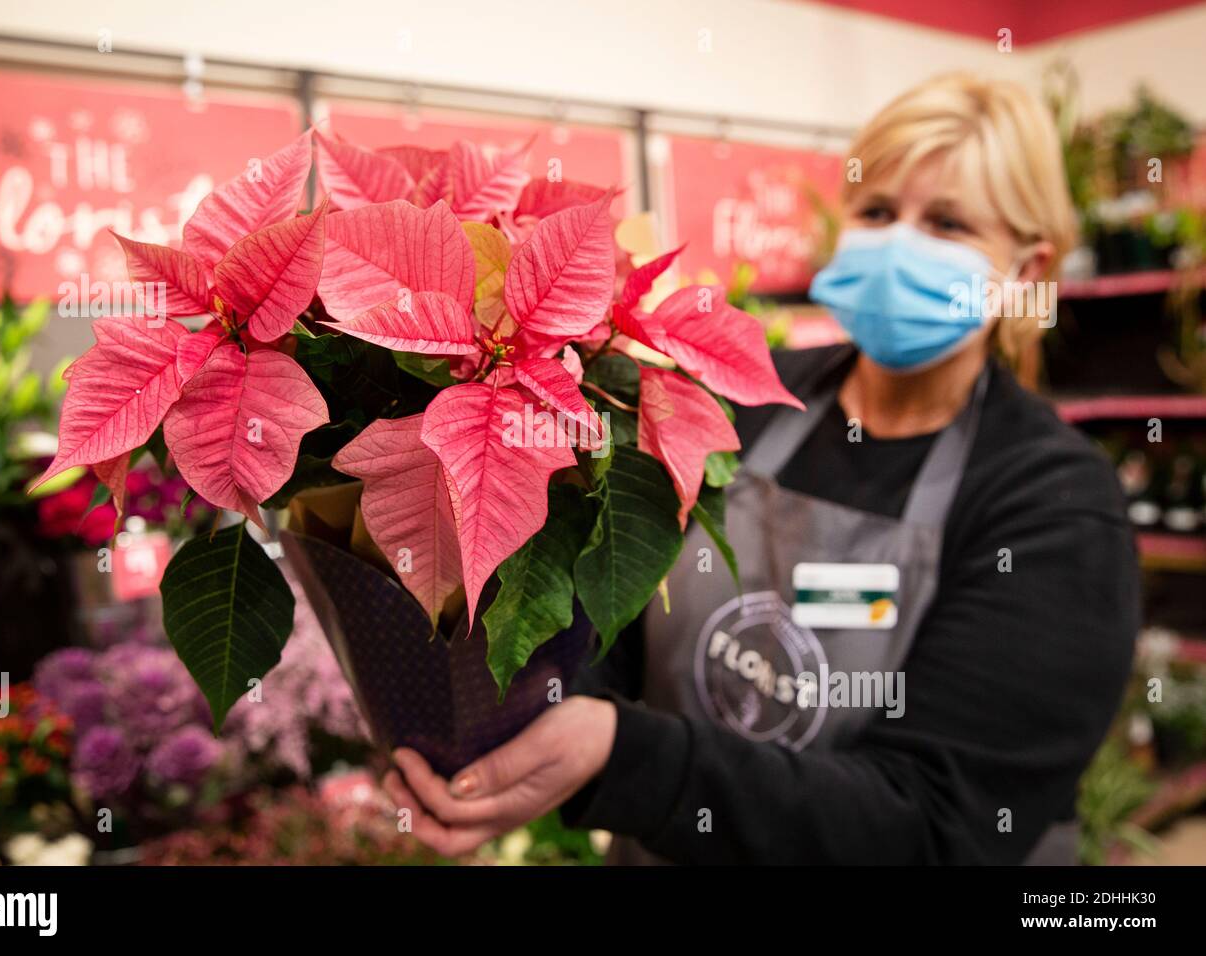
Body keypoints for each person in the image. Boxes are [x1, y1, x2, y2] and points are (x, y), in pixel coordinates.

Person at [382, 73, 1140, 864]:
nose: (898, 245)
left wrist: (631, 756)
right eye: (878, 212)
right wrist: (514, 724)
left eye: (947, 223)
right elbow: (612, 616)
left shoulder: (1054, 505)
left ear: (1026, 271)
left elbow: (933, 825)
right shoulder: (745, 405)